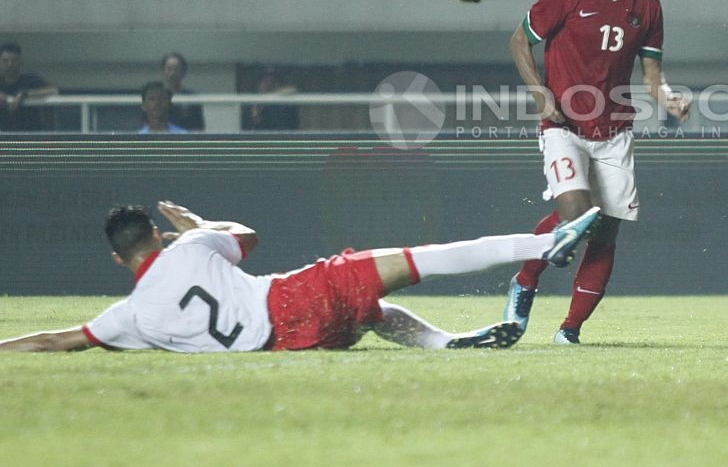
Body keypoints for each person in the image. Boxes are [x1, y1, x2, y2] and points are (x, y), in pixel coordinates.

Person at [0, 200, 601, 353]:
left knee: (374, 317)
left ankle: (447, 343)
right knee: (423, 257)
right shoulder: (189, 246)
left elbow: (61, 340)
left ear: (116, 261)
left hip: (285, 342)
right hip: (293, 296)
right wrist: (197, 224)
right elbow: (247, 238)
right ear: (155, 236)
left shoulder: (127, 317)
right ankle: (547, 241)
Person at [501, 0, 689, 345]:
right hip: (562, 126)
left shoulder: (648, 8)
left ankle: (570, 330)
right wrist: (540, 92)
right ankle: (525, 282)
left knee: (604, 231)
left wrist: (669, 99)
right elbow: (518, 41)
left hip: (614, 134)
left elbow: (651, 79)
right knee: (576, 214)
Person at [0, 42, 59, 132]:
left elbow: (53, 90)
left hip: (30, 134)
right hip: (5, 136)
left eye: (14, 60)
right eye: (5, 61)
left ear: (20, 62)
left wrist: (25, 94)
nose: (10, 64)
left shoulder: (29, 80)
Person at [161, 52, 206, 131]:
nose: (172, 73)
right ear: (163, 71)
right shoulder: (156, 98)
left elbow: (199, 128)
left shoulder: (192, 98)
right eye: (169, 69)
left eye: (176, 69)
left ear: (183, 72)